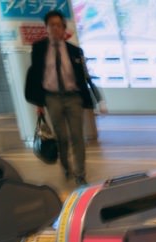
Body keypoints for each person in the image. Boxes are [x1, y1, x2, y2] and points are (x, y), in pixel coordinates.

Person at [24, 9, 93, 186]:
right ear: (46, 28)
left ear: (64, 28)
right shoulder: (39, 48)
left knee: (77, 136)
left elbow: (83, 77)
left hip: (73, 97)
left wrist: (87, 101)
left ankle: (80, 173)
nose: (55, 28)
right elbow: (35, 76)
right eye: (51, 25)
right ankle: (66, 167)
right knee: (61, 137)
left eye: (58, 25)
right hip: (52, 98)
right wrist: (38, 103)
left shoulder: (75, 51)